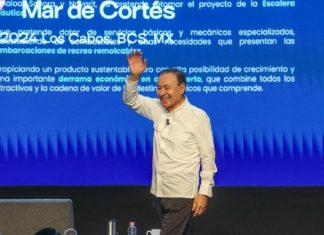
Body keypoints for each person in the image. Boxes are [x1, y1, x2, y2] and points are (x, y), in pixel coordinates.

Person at [123, 51, 217, 235]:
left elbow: (208, 156)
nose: (162, 93)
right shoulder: (157, 109)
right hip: (159, 192)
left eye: (167, 88)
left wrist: (204, 192)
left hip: (182, 194)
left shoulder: (197, 116)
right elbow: (130, 100)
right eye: (159, 88)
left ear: (181, 89)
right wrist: (135, 76)